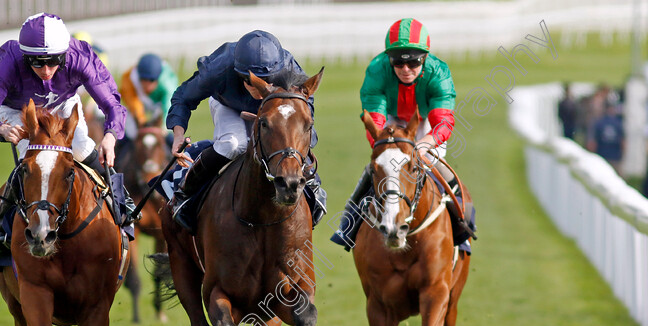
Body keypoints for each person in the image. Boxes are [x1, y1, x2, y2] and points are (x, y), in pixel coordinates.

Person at [0, 12, 133, 263]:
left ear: (65, 54)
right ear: (25, 57)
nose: (46, 70)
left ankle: (122, 203)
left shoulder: (81, 58)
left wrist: (111, 135)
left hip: (63, 103)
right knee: (33, 158)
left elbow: (112, 104)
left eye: (54, 61)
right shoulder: (9, 64)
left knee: (81, 147)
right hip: (19, 109)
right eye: (37, 63)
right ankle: (1, 232)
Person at [330, 18, 469, 251]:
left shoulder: (439, 73)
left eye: (413, 62)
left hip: (425, 122)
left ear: (424, 58)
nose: (406, 69)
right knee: (377, 167)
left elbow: (443, 122)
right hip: (391, 121)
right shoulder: (377, 70)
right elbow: (375, 120)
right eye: (398, 62)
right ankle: (348, 227)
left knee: (437, 166)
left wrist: (425, 143)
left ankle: (462, 229)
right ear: (388, 59)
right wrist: (386, 145)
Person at [166, 30, 326, 231]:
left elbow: (305, 103)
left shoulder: (286, 65)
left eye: (270, 80)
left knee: (288, 141)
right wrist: (178, 134)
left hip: (273, 108)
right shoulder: (218, 68)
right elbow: (183, 96)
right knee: (235, 144)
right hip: (228, 104)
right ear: (241, 75)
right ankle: (184, 193)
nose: (265, 87)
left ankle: (313, 186)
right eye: (257, 83)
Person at [119, 53, 178, 149]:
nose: (147, 85)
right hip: (138, 102)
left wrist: (163, 127)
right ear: (138, 77)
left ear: (158, 78)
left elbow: (168, 106)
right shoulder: (128, 79)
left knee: (168, 130)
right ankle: (118, 152)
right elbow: (133, 103)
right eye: (143, 80)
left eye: (151, 80)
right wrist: (141, 120)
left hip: (159, 103)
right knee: (131, 131)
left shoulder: (167, 82)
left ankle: (177, 155)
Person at [587, 102, 625, 174]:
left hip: (602, 156)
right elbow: (623, 141)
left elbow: (593, 143)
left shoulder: (599, 122)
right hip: (615, 156)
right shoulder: (618, 122)